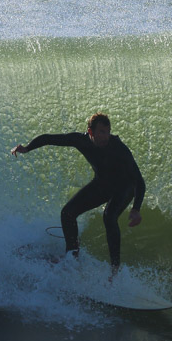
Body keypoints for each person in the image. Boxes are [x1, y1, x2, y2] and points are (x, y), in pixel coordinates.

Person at [11, 113, 145, 275]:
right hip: (102, 183)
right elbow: (48, 138)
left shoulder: (118, 147)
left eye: (108, 131)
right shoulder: (79, 140)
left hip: (125, 186)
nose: (106, 136)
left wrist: (136, 209)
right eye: (102, 132)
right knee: (67, 213)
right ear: (91, 132)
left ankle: (115, 269)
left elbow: (139, 180)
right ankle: (72, 257)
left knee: (109, 217)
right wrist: (26, 148)